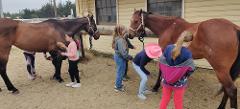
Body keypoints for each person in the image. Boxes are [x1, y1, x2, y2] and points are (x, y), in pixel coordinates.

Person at [159, 31, 195, 109]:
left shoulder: (168, 47)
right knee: (178, 101)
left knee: (165, 99)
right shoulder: (188, 53)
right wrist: (184, 75)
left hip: (166, 80)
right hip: (180, 82)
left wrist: (166, 73)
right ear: (190, 42)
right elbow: (191, 69)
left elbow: (161, 61)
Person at [112, 24, 133, 92]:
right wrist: (130, 57)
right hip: (120, 58)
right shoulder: (121, 40)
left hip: (118, 57)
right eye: (125, 30)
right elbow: (124, 54)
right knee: (120, 72)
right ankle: (118, 87)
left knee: (120, 71)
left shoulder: (118, 37)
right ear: (120, 31)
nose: (126, 31)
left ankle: (119, 84)